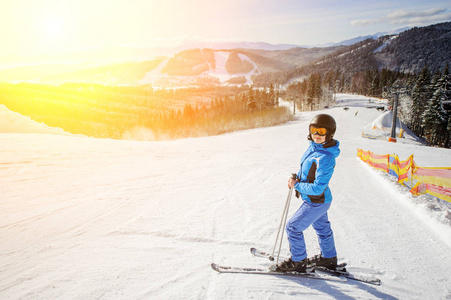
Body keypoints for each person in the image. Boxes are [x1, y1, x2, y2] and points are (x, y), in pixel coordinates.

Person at [275, 114, 340, 273]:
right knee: (322, 228)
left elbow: (317, 188)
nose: (316, 135)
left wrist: (297, 185)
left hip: (316, 200)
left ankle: (298, 261)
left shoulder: (325, 157)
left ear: (329, 133)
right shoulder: (313, 148)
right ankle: (328, 258)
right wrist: (297, 176)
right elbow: (306, 169)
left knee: (293, 227)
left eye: (321, 131)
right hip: (320, 200)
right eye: (313, 130)